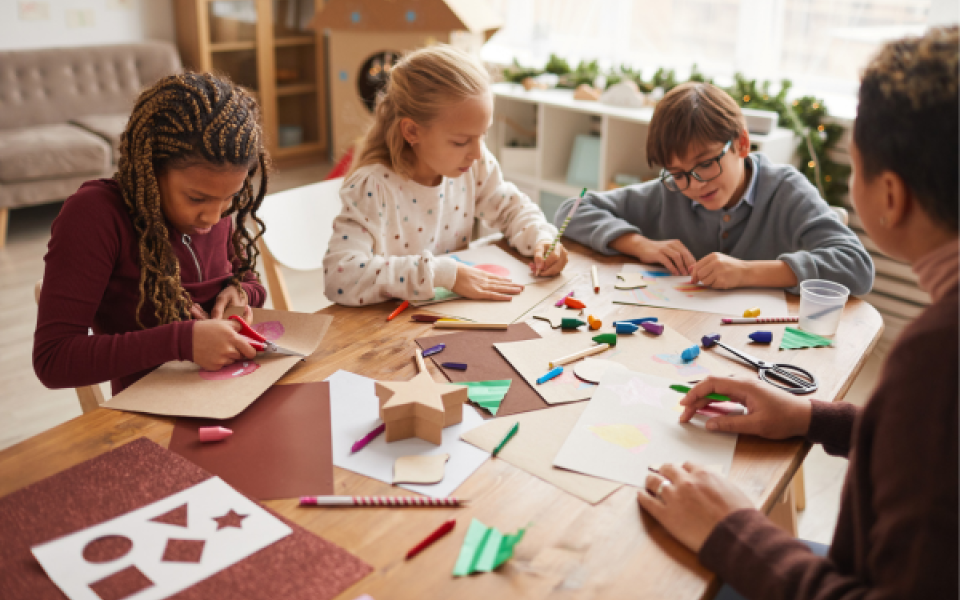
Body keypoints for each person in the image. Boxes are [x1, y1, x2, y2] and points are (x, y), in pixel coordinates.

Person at [637, 27, 958, 599]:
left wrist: (734, 532)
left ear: (889, 195)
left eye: (853, 168)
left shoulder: (936, 358)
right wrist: (813, 418)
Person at [34, 72, 270, 395]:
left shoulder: (216, 212)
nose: (214, 217)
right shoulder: (95, 216)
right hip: (150, 415)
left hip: (233, 390)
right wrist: (182, 341)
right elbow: (53, 359)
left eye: (229, 198)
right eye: (196, 198)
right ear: (151, 168)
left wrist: (240, 292)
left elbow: (252, 283)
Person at [553, 82, 874, 295]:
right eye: (678, 172)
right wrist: (641, 245)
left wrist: (747, 272)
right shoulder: (673, 190)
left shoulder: (786, 190)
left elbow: (857, 267)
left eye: (706, 163)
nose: (695, 184)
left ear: (742, 144)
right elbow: (571, 210)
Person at [323, 45, 568, 306]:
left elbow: (510, 208)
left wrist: (541, 237)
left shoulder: (473, 163)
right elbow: (341, 278)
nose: (476, 152)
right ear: (412, 132)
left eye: (482, 135)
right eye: (461, 141)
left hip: (454, 315)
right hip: (391, 328)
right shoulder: (372, 187)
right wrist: (443, 275)